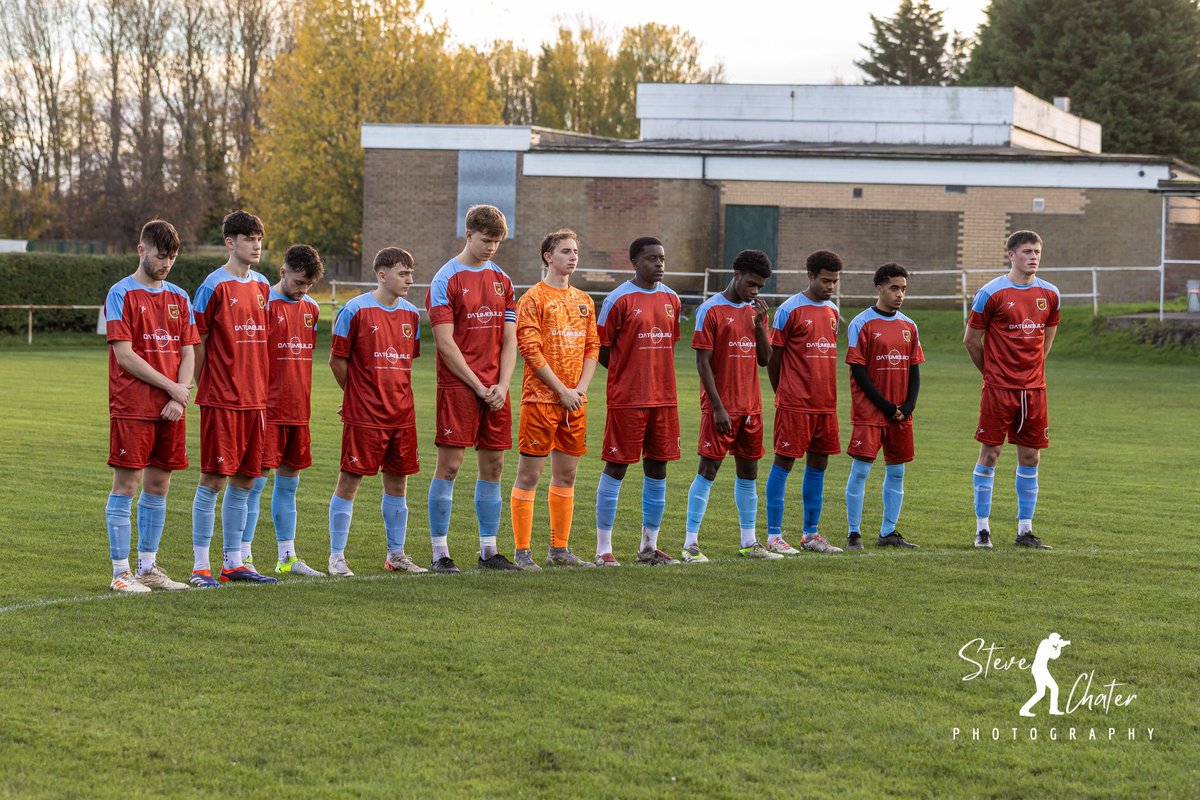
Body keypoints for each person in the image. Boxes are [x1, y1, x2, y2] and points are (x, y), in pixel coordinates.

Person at [425, 205, 521, 573]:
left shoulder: (503, 280)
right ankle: (439, 552)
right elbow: (445, 343)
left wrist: (501, 384)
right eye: (486, 240)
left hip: (496, 388)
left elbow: (510, 341)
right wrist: (479, 385)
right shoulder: (445, 279)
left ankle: (488, 551)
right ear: (468, 234)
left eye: (497, 242)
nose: (491, 248)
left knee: (494, 466)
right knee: (450, 466)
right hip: (460, 386)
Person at [102, 220, 197, 593]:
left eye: (172, 257)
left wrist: (179, 395)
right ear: (142, 250)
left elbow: (188, 350)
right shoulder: (120, 293)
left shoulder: (179, 297)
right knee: (127, 484)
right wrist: (173, 388)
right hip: (133, 406)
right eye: (161, 256)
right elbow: (125, 355)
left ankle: (148, 567)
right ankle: (120, 572)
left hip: (171, 407)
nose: (167, 263)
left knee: (159, 486)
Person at [189, 210, 277, 587]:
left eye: (259, 238)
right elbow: (198, 341)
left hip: (256, 401)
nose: (256, 245)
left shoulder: (262, 287)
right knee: (212, 480)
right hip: (222, 400)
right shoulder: (213, 286)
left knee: (245, 481)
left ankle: (234, 563)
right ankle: (200, 567)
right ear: (230, 242)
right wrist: (205, 385)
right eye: (248, 238)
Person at [326, 247, 426, 576]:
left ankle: (396, 555)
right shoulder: (354, 310)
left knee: (398, 485)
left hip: (402, 414)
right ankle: (337, 557)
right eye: (403, 273)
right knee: (349, 481)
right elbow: (337, 360)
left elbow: (405, 363)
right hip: (365, 415)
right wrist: (355, 395)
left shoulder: (412, 314)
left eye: (411, 273)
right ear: (382, 275)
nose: (409, 279)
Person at [964, 230, 1061, 549]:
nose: (1033, 257)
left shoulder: (1050, 293)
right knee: (990, 453)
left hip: (1034, 390)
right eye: (1027, 251)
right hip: (998, 389)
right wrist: (993, 373)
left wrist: (1030, 371)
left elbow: (1047, 337)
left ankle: (1025, 531)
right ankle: (982, 531)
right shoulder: (990, 293)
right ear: (1011, 255)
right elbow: (971, 340)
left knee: (1031, 457)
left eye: (1037, 251)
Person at [510, 229, 600, 570]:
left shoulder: (584, 300)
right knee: (529, 477)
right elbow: (529, 350)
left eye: (575, 251)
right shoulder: (533, 299)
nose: (573, 257)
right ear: (549, 256)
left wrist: (579, 390)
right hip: (541, 401)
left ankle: (559, 550)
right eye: (565, 251)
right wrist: (560, 389)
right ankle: (522, 552)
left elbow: (593, 346)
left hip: (575, 403)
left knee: (566, 477)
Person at [681, 249, 778, 562]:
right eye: (751, 283)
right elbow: (702, 362)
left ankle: (749, 542)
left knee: (748, 472)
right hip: (721, 408)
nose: (754, 291)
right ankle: (690, 544)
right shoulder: (711, 310)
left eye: (760, 287)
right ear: (736, 274)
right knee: (708, 469)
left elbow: (765, 359)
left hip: (751, 408)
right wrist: (718, 407)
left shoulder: (755, 312)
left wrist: (762, 324)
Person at [236, 244, 325, 578]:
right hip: (267, 410)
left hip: (298, 410)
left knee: (289, 486)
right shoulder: (263, 305)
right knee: (255, 485)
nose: (303, 290)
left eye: (308, 285)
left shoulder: (312, 309)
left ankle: (287, 556)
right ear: (283, 272)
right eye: (299, 282)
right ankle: (242, 557)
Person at [594, 237, 682, 567]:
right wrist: (626, 374)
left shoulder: (672, 299)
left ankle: (649, 547)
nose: (659, 264)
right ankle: (604, 550)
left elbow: (670, 343)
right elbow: (603, 349)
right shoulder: (617, 299)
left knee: (657, 469)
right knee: (616, 467)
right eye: (651, 259)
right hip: (628, 400)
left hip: (664, 399)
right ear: (635, 262)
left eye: (662, 258)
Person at [765, 250, 844, 554]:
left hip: (825, 403)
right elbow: (774, 359)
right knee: (784, 462)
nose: (830, 286)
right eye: (826, 280)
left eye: (835, 281)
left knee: (819, 463)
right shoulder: (789, 310)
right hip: (795, 403)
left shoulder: (833, 312)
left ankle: (811, 535)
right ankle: (774, 535)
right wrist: (783, 393)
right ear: (810, 276)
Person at [843, 263, 924, 549]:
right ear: (879, 288)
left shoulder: (909, 326)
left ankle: (888, 532)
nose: (900, 294)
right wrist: (886, 405)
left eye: (903, 289)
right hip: (871, 412)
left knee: (897, 471)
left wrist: (909, 405)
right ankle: (854, 533)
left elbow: (915, 369)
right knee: (862, 470)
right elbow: (859, 371)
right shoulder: (861, 323)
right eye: (894, 288)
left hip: (900, 413)